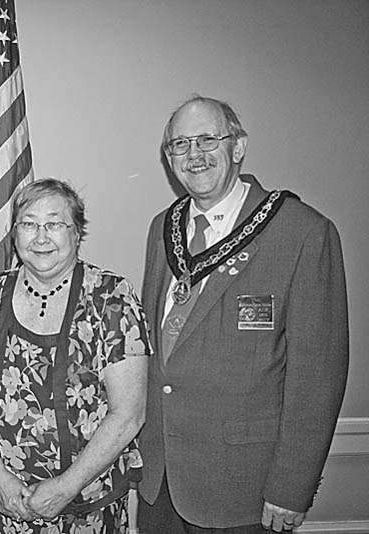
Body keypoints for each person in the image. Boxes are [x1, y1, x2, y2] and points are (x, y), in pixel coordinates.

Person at [137, 95, 349, 533]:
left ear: (238, 146)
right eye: (179, 144)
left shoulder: (302, 232)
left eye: (208, 139)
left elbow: (318, 375)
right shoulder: (163, 228)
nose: (194, 154)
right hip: (161, 483)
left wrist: (292, 487)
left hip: (242, 490)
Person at [0, 178, 150, 534]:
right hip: (11, 502)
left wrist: (64, 489)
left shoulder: (112, 298)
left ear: (77, 233)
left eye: (54, 224)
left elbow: (129, 414)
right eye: (29, 224)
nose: (40, 236)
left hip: (89, 504)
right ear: (14, 233)